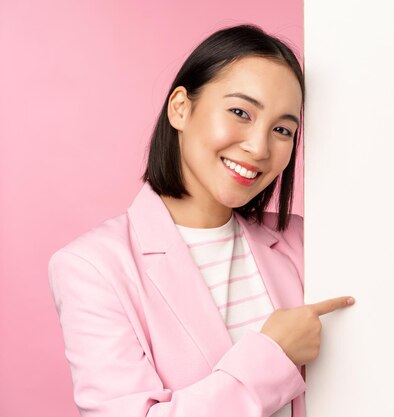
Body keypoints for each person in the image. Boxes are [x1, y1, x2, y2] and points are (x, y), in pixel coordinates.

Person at [48, 24, 354, 417]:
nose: (259, 147)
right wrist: (272, 357)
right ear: (180, 108)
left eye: (282, 129)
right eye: (240, 112)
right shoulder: (91, 267)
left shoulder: (302, 241)